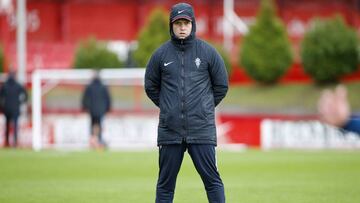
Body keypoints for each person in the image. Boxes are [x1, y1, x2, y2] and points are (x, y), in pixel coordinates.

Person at [145, 3, 228, 203]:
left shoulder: (208, 53)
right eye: (178, 23)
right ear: (171, 26)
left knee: (212, 181)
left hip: (201, 130)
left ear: (193, 25)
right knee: (165, 185)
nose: (182, 27)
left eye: (186, 23)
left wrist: (203, 108)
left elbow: (221, 86)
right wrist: (169, 108)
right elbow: (151, 87)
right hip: (170, 132)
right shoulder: (160, 55)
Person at [82, 71, 111, 149]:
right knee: (99, 125)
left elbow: (85, 98)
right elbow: (107, 98)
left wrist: (85, 107)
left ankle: (94, 142)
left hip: (92, 110)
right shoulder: (103, 86)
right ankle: (98, 141)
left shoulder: (89, 86)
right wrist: (108, 108)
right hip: (101, 110)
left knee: (93, 125)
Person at [0, 71, 28, 148]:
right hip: (15, 109)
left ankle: (7, 142)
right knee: (15, 126)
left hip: (7, 109)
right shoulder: (18, 85)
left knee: (7, 126)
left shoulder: (5, 85)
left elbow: (1, 97)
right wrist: (20, 102)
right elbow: (25, 95)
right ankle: (14, 142)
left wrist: (2, 106)